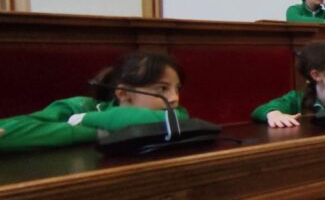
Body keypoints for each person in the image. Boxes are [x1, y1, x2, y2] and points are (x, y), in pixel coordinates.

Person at [0, 52, 189, 152]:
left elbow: (147, 121)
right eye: (162, 89)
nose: (174, 98)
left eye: (177, 88)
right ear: (124, 94)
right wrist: (101, 131)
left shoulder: (175, 115)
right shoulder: (79, 106)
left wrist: (94, 127)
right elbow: (7, 131)